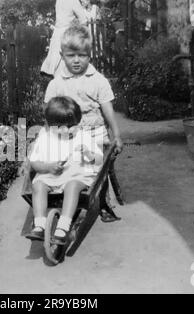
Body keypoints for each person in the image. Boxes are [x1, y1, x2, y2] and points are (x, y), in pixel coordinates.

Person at [44, 24, 123, 221]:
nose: (77, 60)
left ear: (89, 55)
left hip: (95, 132)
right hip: (66, 135)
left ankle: (103, 203)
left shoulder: (98, 80)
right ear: (62, 55)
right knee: (69, 167)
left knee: (99, 170)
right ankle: (71, 202)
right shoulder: (56, 83)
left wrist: (116, 135)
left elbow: (107, 109)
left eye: (82, 55)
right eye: (71, 55)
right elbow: (49, 113)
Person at [26, 97, 104, 244]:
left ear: (78, 122)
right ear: (50, 125)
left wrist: (87, 153)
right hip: (51, 175)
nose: (67, 130)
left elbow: (99, 159)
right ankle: (40, 223)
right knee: (38, 186)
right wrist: (48, 167)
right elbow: (35, 162)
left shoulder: (83, 136)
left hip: (76, 174)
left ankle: (64, 224)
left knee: (73, 186)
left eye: (71, 125)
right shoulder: (45, 138)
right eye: (60, 126)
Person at [41, 0, 87, 78]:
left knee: (59, 63)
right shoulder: (73, 1)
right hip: (66, 34)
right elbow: (83, 20)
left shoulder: (59, 1)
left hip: (57, 33)